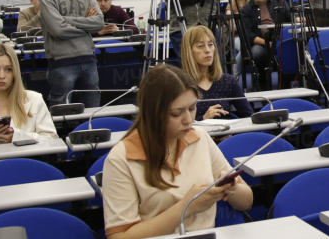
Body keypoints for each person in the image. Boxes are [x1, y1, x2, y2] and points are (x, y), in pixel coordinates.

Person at [102, 65, 253, 238]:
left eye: (192, 108)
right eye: (176, 113)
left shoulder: (200, 137)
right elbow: (118, 236)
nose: (189, 120)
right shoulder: (121, 158)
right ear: (153, 113)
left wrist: (232, 190)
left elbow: (247, 202)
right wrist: (187, 207)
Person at [39, 0, 104, 107]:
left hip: (88, 59)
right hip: (62, 61)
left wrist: (66, 19)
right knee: (62, 111)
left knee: (93, 110)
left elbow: (98, 23)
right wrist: (85, 22)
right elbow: (58, 30)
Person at [181, 26, 253, 119]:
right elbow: (176, 125)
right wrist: (203, 119)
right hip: (197, 133)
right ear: (189, 51)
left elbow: (249, 116)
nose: (207, 50)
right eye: (200, 46)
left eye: (210, 45)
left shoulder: (227, 81)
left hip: (229, 133)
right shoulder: (180, 86)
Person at [240, 0, 290, 89]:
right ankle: (262, 85)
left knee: (292, 49)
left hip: (280, 40)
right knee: (258, 53)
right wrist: (266, 43)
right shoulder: (246, 9)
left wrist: (297, 19)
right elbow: (247, 34)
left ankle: (286, 84)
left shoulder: (279, 1)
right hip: (260, 43)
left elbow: (289, 18)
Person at [227, 0, 250, 77]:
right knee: (244, 48)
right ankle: (234, 75)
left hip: (249, 36)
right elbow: (232, 28)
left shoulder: (250, 6)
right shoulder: (230, 7)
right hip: (236, 37)